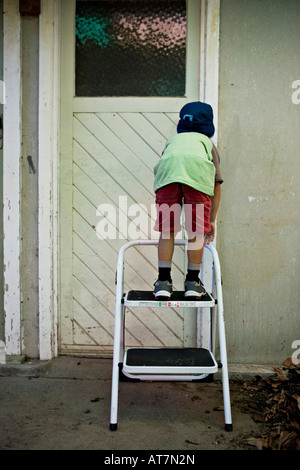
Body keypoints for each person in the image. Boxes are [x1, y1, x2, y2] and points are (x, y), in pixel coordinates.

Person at [153, 101, 223, 299]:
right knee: (196, 231)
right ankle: (192, 282)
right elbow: (216, 186)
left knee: (167, 231)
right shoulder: (207, 144)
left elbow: (165, 166)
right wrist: (211, 221)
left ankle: (163, 282)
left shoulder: (173, 141)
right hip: (197, 179)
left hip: (167, 178)